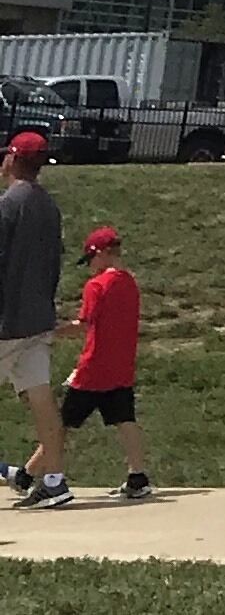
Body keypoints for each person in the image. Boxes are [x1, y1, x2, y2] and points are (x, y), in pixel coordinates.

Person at [29, 224, 147, 505]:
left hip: (93, 367)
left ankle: (29, 473)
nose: (90, 266)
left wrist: (48, 332)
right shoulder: (129, 282)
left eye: (92, 259)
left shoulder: (97, 286)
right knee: (124, 419)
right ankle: (138, 476)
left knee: (60, 423)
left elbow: (83, 324)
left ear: (103, 254)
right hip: (121, 364)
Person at [0, 131, 66, 511]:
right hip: (39, 317)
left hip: (7, 321)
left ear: (12, 159)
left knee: (41, 398)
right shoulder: (48, 206)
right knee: (42, 399)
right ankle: (54, 481)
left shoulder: (9, 204)